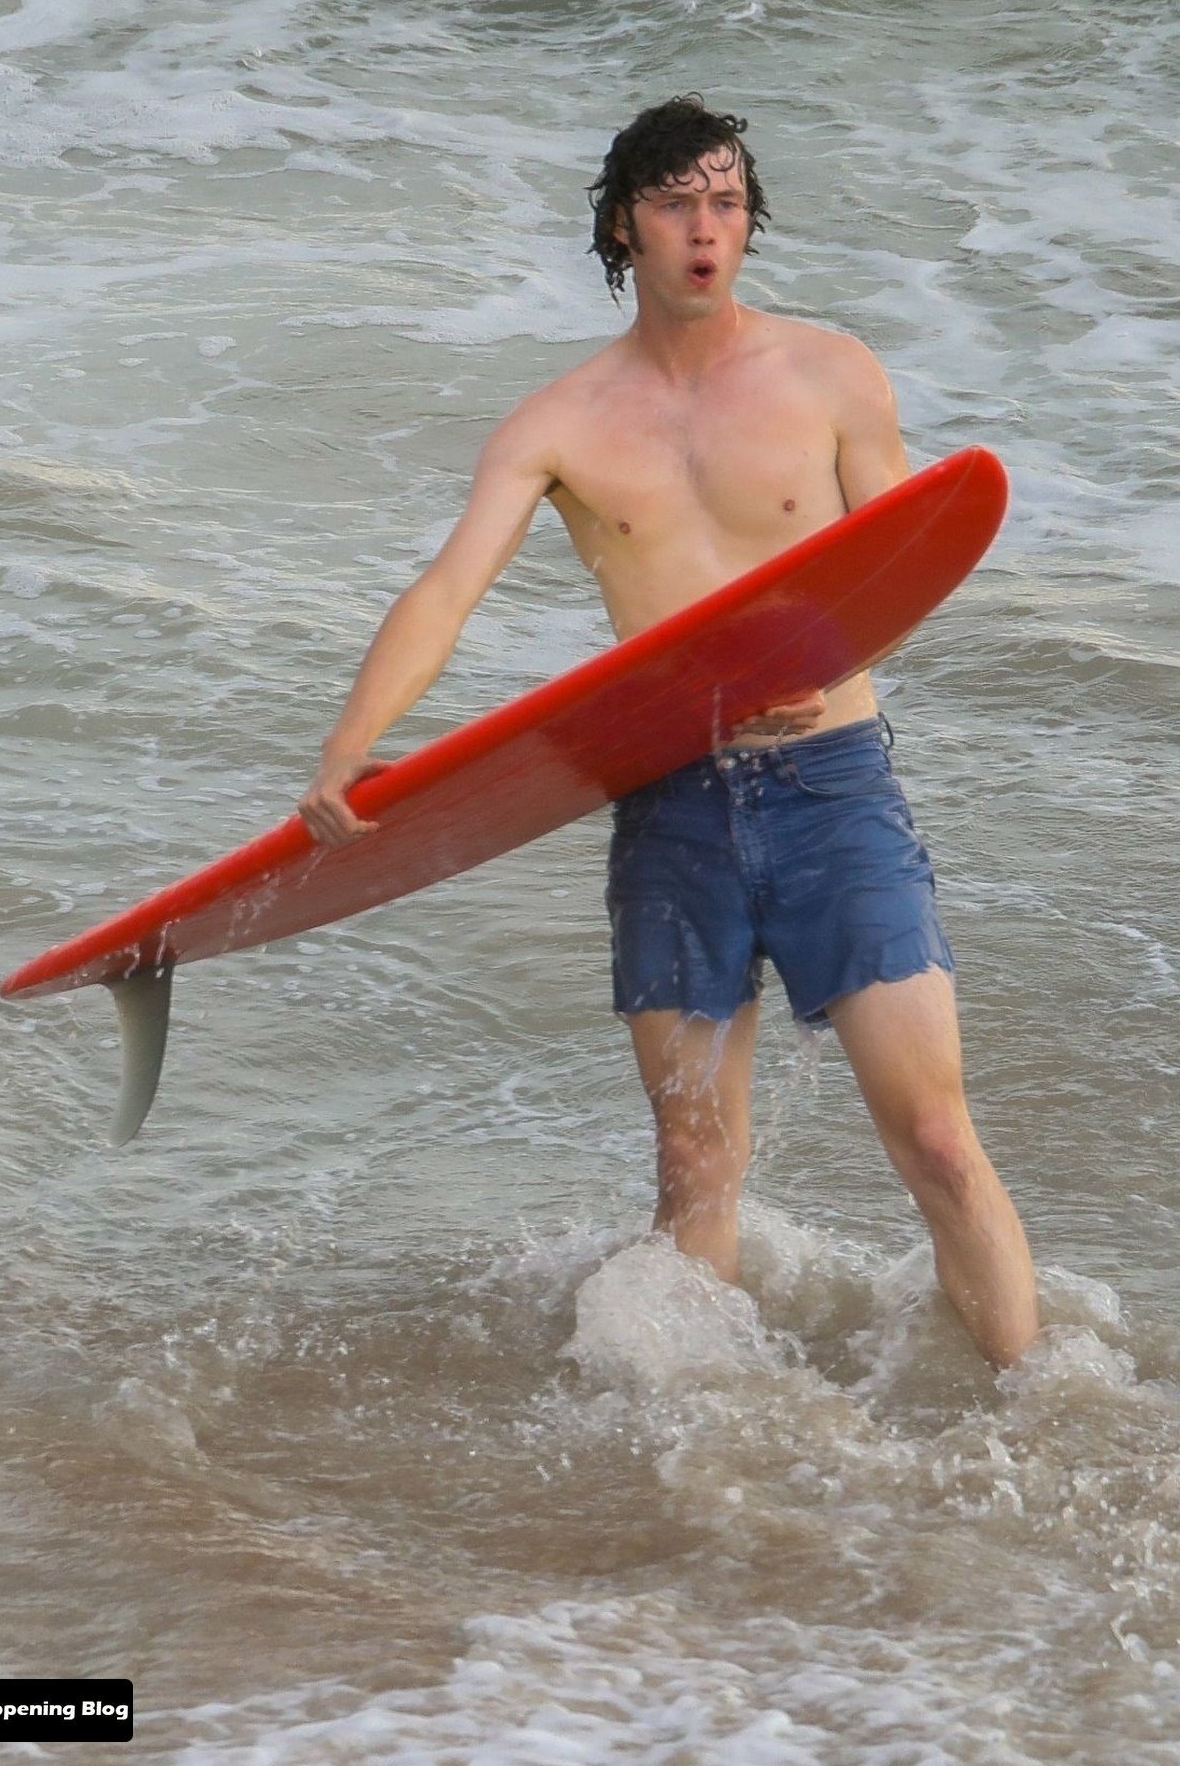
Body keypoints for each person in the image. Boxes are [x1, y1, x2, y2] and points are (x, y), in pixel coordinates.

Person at [298, 93, 1041, 1369]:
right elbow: (445, 591)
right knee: (693, 1160)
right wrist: (346, 748)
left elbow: (910, 562)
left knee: (932, 1140)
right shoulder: (556, 425)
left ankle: (1033, 1407)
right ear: (620, 228)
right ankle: (704, 1451)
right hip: (669, 801)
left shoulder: (831, 374)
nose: (705, 229)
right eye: (675, 204)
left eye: (726, 203)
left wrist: (834, 659)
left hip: (831, 791)